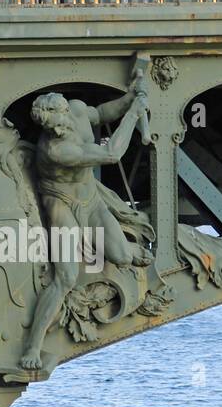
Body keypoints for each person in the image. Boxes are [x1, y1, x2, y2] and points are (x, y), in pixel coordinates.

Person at [18, 84, 153, 371]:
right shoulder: (56, 149)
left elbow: (103, 112)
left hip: (91, 198)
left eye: (61, 119)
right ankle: (32, 345)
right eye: (52, 127)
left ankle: (108, 244)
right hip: (61, 203)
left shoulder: (77, 110)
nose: (59, 127)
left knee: (124, 257)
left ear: (66, 109)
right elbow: (113, 154)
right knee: (65, 277)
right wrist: (133, 116)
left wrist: (130, 99)